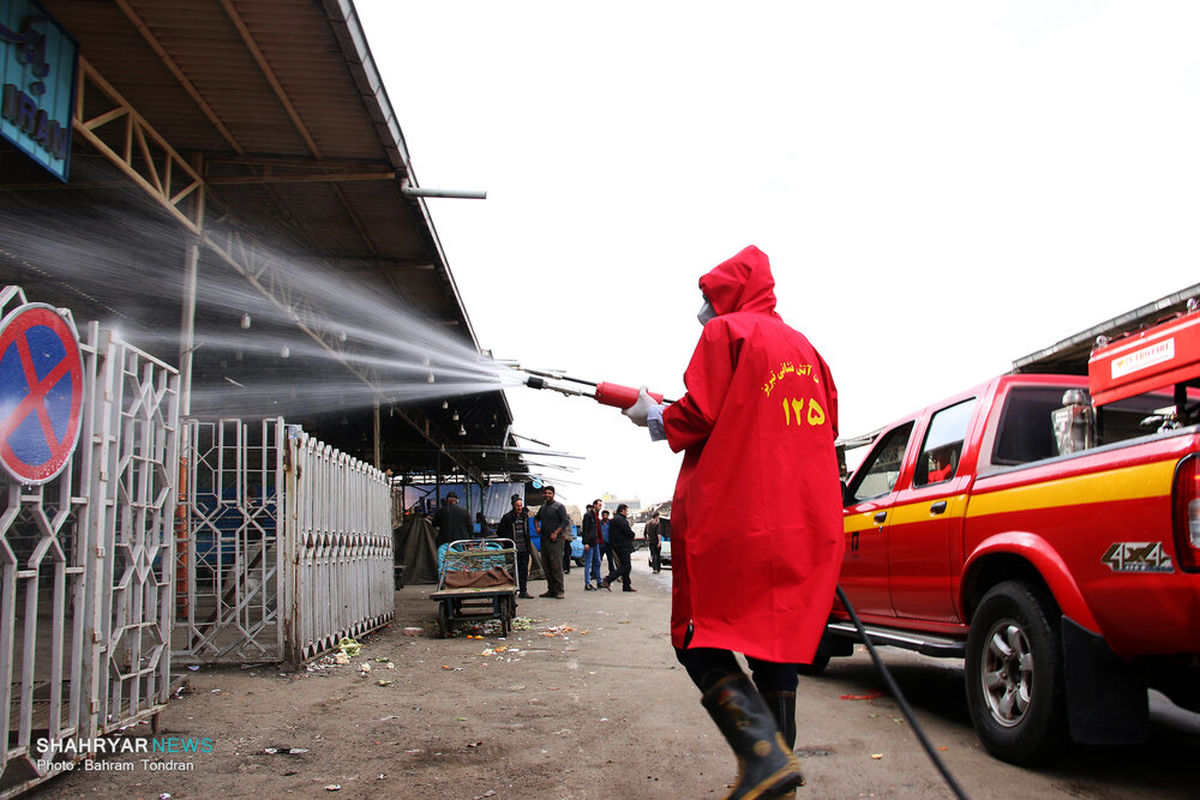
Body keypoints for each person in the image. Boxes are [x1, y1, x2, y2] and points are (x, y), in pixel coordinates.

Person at [621, 245, 843, 797]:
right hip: (802, 521)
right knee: (775, 643)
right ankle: (777, 779)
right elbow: (825, 424)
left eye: (707, 297)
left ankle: (762, 757)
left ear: (728, 294)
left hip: (738, 516)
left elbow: (699, 415)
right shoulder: (807, 349)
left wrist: (655, 415)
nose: (704, 309)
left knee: (696, 635)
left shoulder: (728, 334)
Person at [533, 485, 569, 599]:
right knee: (546, 565)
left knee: (556, 566)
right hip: (544, 540)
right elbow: (536, 519)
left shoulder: (559, 507)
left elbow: (565, 522)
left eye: (549, 493)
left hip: (556, 541)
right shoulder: (543, 508)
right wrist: (537, 528)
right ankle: (551, 590)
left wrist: (556, 533)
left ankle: (559, 590)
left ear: (553, 494)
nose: (547, 495)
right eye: (545, 493)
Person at [497, 494, 534, 598]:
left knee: (523, 570)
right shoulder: (507, 517)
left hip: (524, 548)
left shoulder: (524, 516)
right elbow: (500, 532)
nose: (519, 508)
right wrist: (508, 543)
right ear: (513, 505)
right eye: (517, 505)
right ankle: (511, 590)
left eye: (521, 505)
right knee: (512, 570)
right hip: (513, 549)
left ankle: (523, 591)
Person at [598, 503, 636, 592]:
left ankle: (626, 585)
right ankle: (608, 579)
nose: (627, 512)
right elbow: (628, 532)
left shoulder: (614, 520)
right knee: (625, 566)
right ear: (622, 510)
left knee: (625, 565)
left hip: (616, 546)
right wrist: (632, 535)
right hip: (623, 545)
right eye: (626, 511)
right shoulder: (621, 520)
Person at [432, 491, 473, 571]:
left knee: (445, 563)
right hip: (461, 542)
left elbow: (434, 524)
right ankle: (461, 578)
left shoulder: (441, 511)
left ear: (447, 500)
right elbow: (470, 528)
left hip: (445, 542)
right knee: (462, 562)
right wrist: (469, 540)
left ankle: (445, 578)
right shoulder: (464, 512)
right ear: (457, 500)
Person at [581, 499, 603, 590]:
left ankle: (599, 581)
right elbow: (585, 529)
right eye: (599, 505)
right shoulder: (588, 515)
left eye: (601, 505)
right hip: (590, 543)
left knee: (597, 561)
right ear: (594, 505)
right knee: (588, 563)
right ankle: (587, 583)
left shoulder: (596, 516)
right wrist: (585, 542)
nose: (600, 507)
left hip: (596, 542)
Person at [599, 509, 614, 574]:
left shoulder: (611, 523)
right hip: (601, 543)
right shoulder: (599, 523)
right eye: (603, 515)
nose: (605, 516)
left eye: (606, 515)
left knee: (610, 559)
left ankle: (612, 572)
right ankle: (595, 573)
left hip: (609, 543)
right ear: (602, 516)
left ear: (608, 516)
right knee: (598, 560)